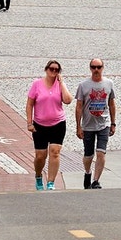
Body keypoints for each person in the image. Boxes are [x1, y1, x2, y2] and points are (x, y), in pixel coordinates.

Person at [25, 60, 71, 191]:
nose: (54, 72)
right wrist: (29, 122)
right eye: (51, 69)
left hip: (58, 124)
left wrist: (61, 83)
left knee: (55, 152)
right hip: (40, 125)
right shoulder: (37, 84)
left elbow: (68, 100)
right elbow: (29, 104)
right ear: (46, 69)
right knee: (40, 156)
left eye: (57, 70)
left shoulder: (59, 85)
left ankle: (51, 182)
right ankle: (38, 175)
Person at [74, 57, 116, 190]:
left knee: (101, 152)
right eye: (93, 67)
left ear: (103, 68)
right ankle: (88, 172)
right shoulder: (83, 85)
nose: (96, 70)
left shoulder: (109, 83)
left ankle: (96, 180)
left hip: (104, 124)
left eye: (99, 67)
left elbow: (112, 104)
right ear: (90, 68)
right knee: (88, 155)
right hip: (88, 125)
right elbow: (79, 106)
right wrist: (78, 126)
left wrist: (113, 123)